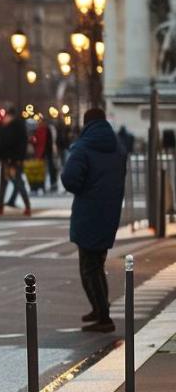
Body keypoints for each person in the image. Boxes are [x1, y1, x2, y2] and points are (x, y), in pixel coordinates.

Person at [61, 108, 126, 333]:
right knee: (96, 263)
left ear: (86, 123)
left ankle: (103, 316)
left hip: (88, 211)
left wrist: (83, 188)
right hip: (109, 211)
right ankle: (99, 309)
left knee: (89, 267)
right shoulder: (117, 146)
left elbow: (69, 178)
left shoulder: (84, 146)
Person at [0, 111, 31, 216]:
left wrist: (11, 158)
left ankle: (25, 207)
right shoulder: (15, 128)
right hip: (11, 160)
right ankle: (1, 207)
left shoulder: (11, 129)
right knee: (9, 184)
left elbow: (6, 143)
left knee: (15, 183)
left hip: (11, 161)